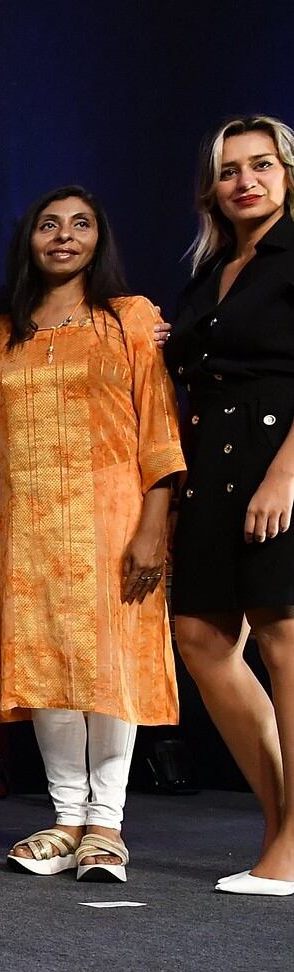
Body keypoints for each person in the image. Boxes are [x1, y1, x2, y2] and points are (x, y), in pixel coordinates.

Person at [0, 186, 182, 884]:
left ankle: (107, 821)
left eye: (79, 224)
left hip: (110, 519)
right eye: (47, 224)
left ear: (100, 238)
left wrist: (153, 523)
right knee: (44, 666)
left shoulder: (128, 318)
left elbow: (158, 423)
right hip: (23, 525)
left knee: (106, 664)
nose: (62, 236)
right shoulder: (3, 327)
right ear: (27, 238)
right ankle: (66, 815)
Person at [166, 115, 294, 896]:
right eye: (227, 169)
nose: (244, 179)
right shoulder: (215, 267)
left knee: (282, 641)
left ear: (287, 172)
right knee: (201, 638)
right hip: (210, 466)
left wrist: (284, 476)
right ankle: (281, 821)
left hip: (276, 455)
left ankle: (289, 845)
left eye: (261, 164)